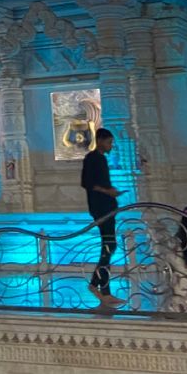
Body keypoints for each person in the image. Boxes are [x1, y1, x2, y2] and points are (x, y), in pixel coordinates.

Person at [80, 128, 124, 306]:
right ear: (100, 140)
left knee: (109, 246)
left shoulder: (101, 159)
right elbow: (87, 183)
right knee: (108, 246)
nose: (110, 146)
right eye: (109, 142)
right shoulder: (92, 158)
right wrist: (108, 191)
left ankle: (100, 286)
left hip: (107, 206)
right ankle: (100, 287)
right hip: (101, 208)